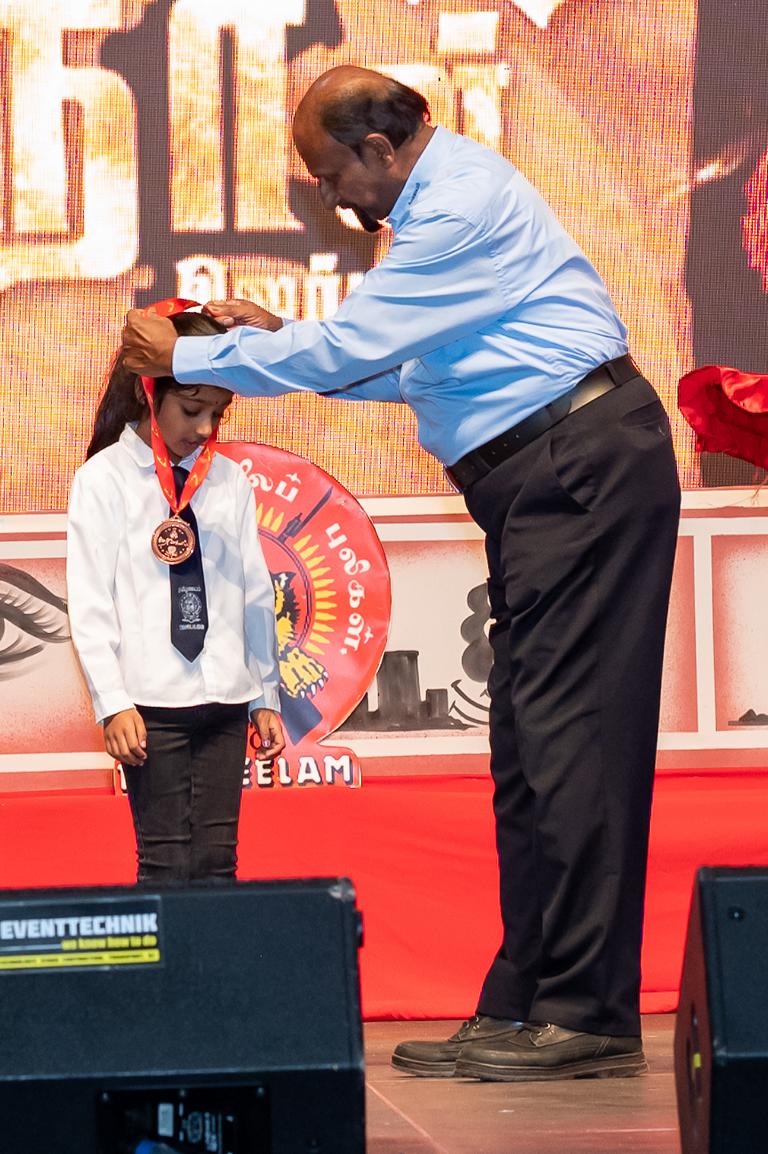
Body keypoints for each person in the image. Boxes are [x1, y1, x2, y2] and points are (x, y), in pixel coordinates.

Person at [121, 66, 681, 1079]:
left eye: (331, 174)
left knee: (574, 742)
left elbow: (350, 348)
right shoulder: (435, 211)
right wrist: (269, 342)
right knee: (530, 747)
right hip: (551, 480)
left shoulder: (457, 205)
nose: (332, 196)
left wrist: (189, 355)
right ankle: (528, 1000)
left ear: (381, 149)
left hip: (581, 470)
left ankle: (587, 1012)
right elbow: (407, 367)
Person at [67, 306, 285, 884]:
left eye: (217, 413)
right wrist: (112, 702)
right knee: (164, 863)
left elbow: (254, 593)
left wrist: (265, 695)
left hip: (226, 700)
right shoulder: (103, 479)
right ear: (149, 392)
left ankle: (214, 952)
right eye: (191, 409)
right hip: (150, 705)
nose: (206, 428)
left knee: (217, 865)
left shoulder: (230, 480)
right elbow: (90, 603)